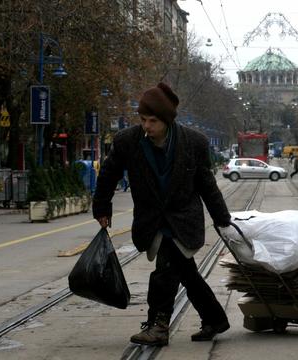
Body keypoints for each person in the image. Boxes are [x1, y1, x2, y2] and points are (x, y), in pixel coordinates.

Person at [93, 83, 231, 347]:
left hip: (183, 219)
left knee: (166, 269)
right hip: (152, 220)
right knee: (185, 272)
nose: (146, 126)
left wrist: (222, 219)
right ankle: (214, 318)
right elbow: (109, 174)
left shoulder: (194, 142)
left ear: (166, 120)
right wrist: (102, 208)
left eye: (153, 121)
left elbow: (206, 184)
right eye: (143, 119)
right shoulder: (127, 142)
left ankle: (158, 325)